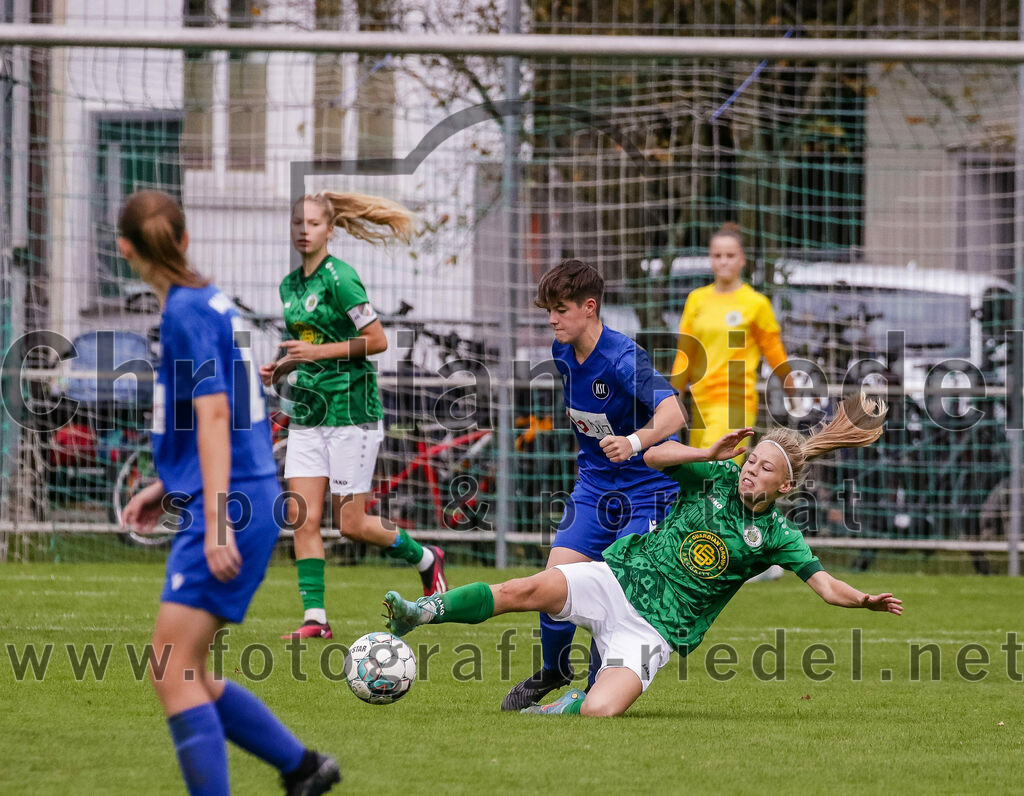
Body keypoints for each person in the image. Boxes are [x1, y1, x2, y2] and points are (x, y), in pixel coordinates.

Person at [384, 394, 902, 717]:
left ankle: (571, 703)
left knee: (600, 712)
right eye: (752, 460)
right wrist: (705, 452)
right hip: (619, 579)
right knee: (527, 589)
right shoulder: (716, 476)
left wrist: (863, 601)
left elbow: (826, 585)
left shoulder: (780, 536)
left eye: (765, 468)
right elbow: (652, 454)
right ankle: (423, 610)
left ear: (785, 484)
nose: (751, 470)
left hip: (653, 630)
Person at [118, 190, 340, 794]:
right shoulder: (212, 304)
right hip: (245, 495)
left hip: (231, 507)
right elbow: (231, 417)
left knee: (171, 670)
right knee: (190, 670)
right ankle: (302, 768)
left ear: (124, 250)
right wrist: (169, 485)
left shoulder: (186, 313)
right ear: (186, 240)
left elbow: (216, 415)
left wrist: (215, 520)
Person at [260, 191, 449, 642]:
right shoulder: (290, 287)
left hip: (352, 413)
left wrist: (314, 352)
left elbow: (378, 340)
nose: (305, 230)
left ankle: (426, 559)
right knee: (300, 515)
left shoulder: (340, 279)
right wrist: (286, 365)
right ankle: (316, 619)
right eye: (298, 223)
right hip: (310, 413)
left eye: (314, 223)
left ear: (330, 230)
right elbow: (308, 348)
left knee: (351, 523)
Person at [500, 259, 687, 711]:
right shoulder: (562, 352)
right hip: (596, 487)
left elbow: (675, 414)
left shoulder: (624, 358)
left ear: (589, 307)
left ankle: (593, 686)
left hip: (648, 490)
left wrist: (635, 440)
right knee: (554, 579)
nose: (551, 318)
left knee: (616, 588)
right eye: (548, 309)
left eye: (560, 309)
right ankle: (554, 669)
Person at [670, 222, 793, 453]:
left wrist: (792, 387)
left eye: (730, 255)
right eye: (717, 255)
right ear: (710, 259)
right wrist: (671, 397)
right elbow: (685, 354)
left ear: (742, 259)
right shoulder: (697, 300)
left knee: (715, 473)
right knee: (700, 478)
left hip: (735, 401)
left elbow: (773, 350)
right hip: (701, 400)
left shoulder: (756, 304)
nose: (723, 261)